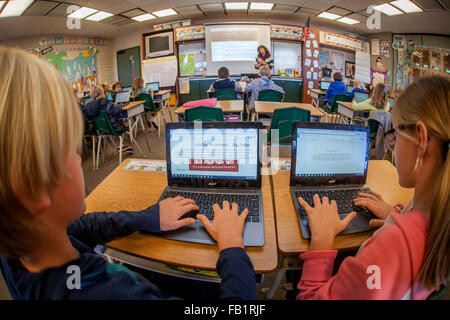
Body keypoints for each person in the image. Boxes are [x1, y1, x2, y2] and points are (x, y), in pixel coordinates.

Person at [0, 47, 256, 300]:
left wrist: (149, 217)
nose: (80, 158)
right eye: (70, 150)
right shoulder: (110, 294)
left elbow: (84, 227)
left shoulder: (23, 243)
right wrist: (232, 246)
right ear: (33, 191)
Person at [295, 75, 449, 299]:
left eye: (395, 134)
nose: (391, 146)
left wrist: (320, 243)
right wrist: (397, 213)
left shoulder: (391, 247)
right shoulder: (438, 215)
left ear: (421, 140)